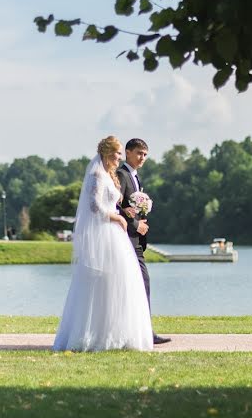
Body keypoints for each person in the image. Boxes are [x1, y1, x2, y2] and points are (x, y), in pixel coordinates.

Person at [53, 136, 153, 351]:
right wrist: (117, 217)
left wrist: (124, 212)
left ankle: (116, 333)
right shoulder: (96, 174)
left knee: (119, 284)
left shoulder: (109, 175)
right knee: (100, 285)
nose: (119, 158)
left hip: (116, 237)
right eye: (117, 153)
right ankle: (94, 335)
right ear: (108, 153)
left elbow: (112, 203)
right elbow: (95, 208)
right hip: (105, 235)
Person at [117, 138, 171, 345]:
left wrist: (140, 218)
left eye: (145, 155)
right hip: (127, 241)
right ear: (127, 152)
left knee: (137, 286)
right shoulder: (122, 175)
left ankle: (137, 331)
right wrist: (134, 224)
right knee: (143, 283)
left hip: (135, 241)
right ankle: (145, 332)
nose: (142, 158)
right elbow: (114, 206)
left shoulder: (135, 177)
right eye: (139, 153)